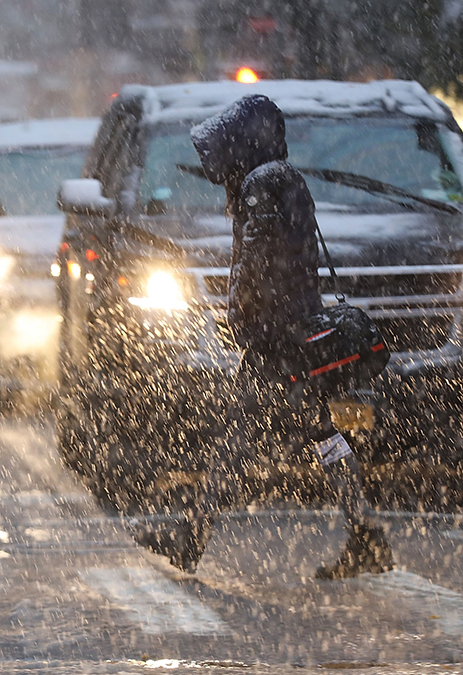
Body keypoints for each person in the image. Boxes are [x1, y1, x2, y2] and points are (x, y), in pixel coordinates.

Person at [133, 95, 395, 580]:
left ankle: (193, 538)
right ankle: (366, 534)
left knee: (236, 439)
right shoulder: (284, 177)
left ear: (242, 141)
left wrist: (245, 320)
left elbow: (254, 266)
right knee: (324, 435)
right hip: (297, 329)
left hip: (276, 340)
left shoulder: (260, 184)